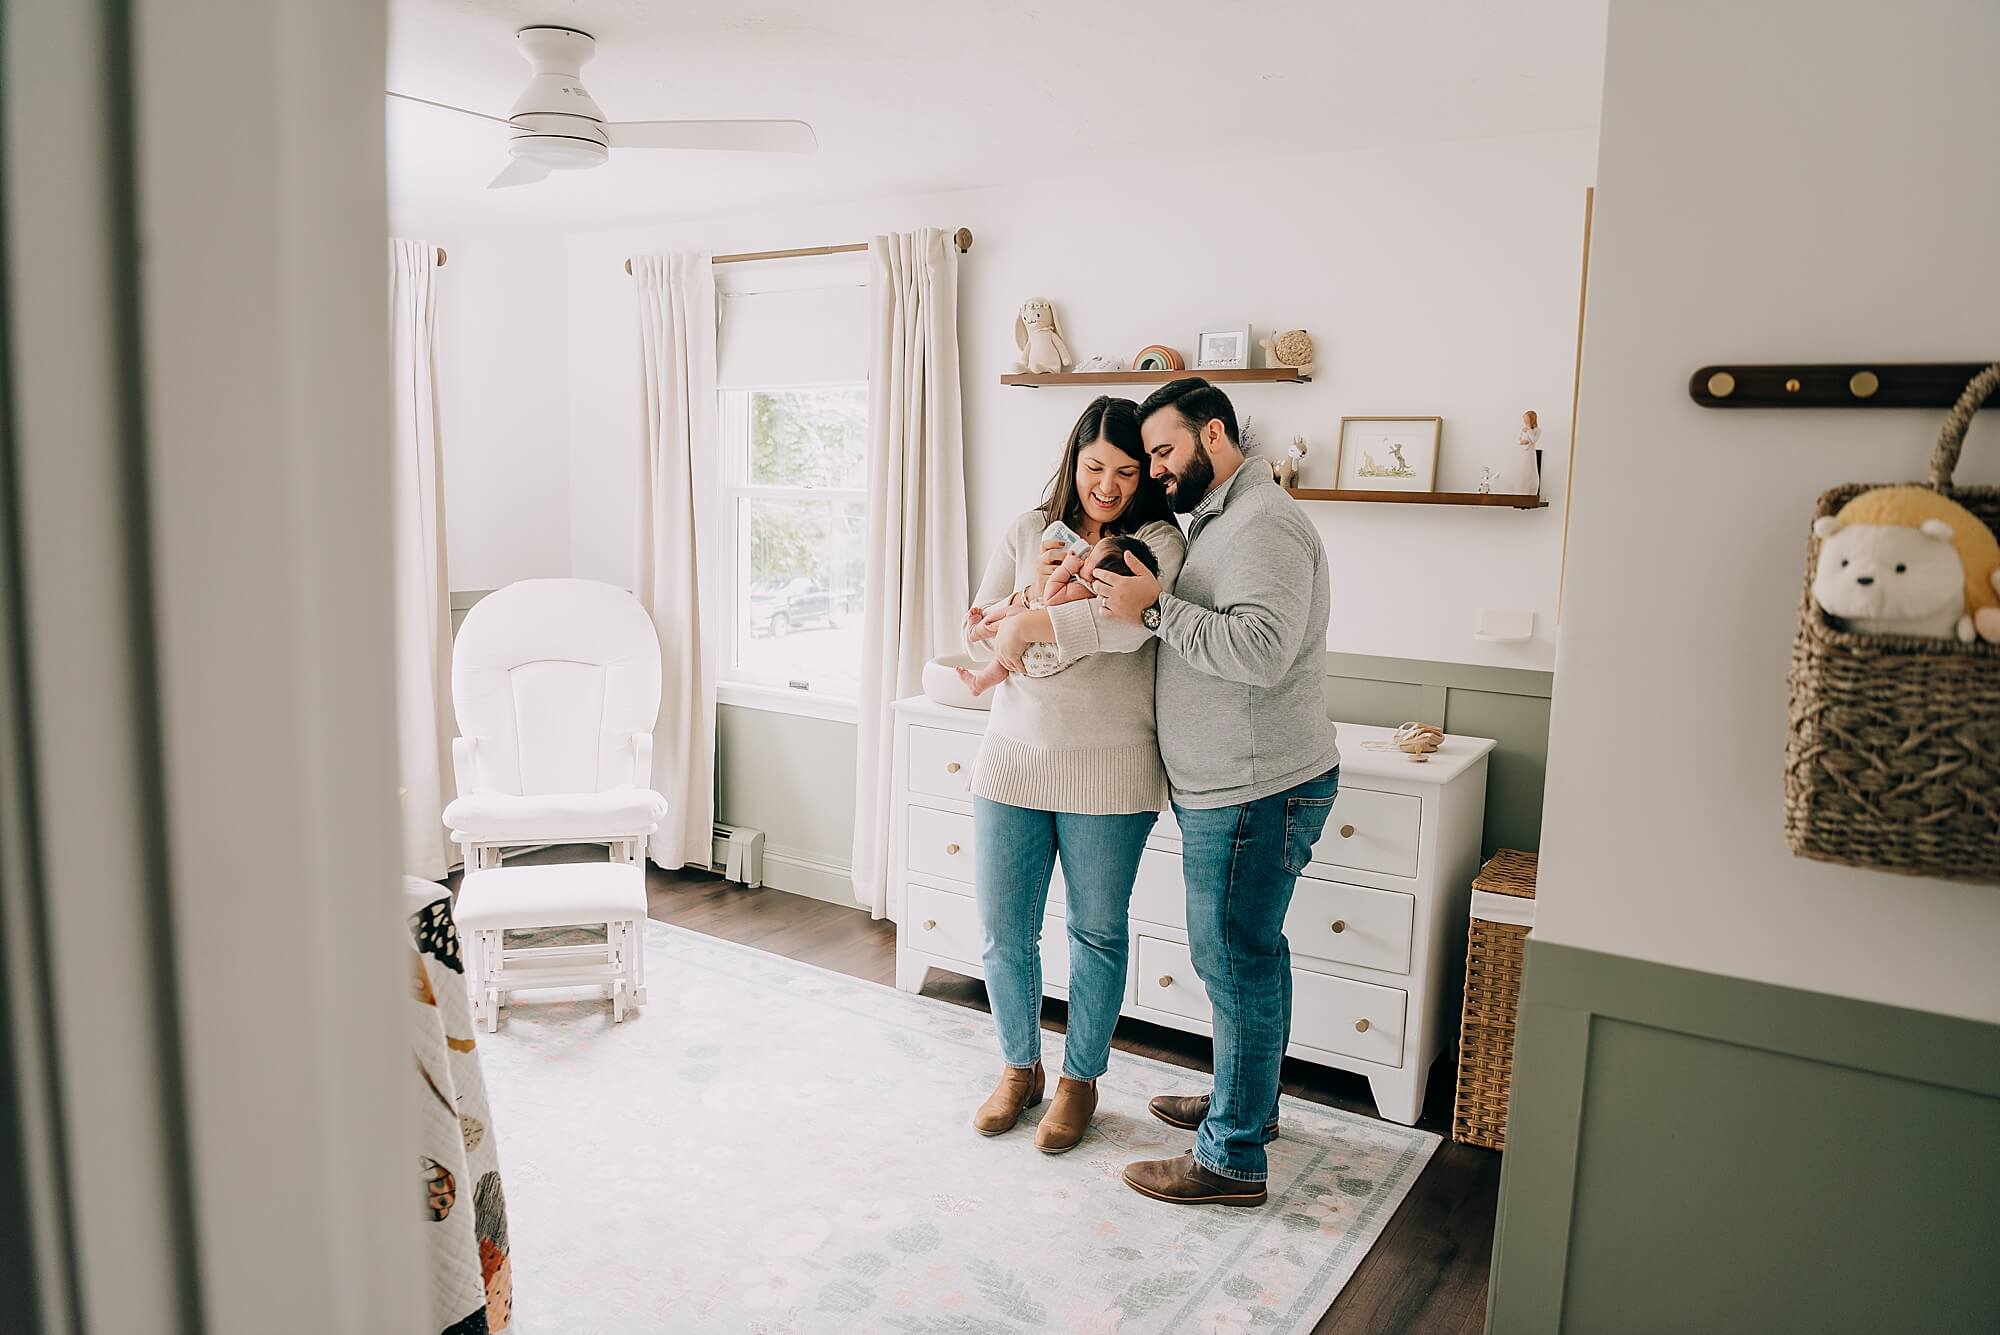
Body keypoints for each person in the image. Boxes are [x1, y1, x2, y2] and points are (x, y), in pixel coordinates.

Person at [1091, 377, 1341, 1206]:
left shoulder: (1264, 523)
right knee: (1252, 957)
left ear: (1217, 434)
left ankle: (1231, 1155)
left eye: (1164, 451)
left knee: (1234, 962)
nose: (1156, 469)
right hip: (1235, 785)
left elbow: (1261, 650)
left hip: (1253, 787)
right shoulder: (1227, 519)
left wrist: (1156, 610)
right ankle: (1250, 1106)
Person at [960, 396, 1186, 1153]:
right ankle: (1019, 1067)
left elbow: (1125, 632)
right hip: (1012, 758)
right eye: (1095, 467)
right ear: (1073, 460)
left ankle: (1079, 1079)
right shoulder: (1030, 530)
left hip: (1110, 768)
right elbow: (974, 629)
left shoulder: (1158, 539)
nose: (1109, 485)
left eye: (1127, 471)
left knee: (1094, 933)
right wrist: (1028, 600)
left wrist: (1030, 629)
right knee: (1004, 932)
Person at [957, 534, 1161, 697]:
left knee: (1012, 615)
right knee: (1004, 661)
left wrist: (1065, 570)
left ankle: (981, 630)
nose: (1085, 555)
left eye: (1090, 558)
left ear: (1100, 575)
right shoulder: (1103, 598)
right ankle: (980, 682)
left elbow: (1051, 599)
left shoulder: (1082, 590)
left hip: (1041, 652)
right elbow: (975, 650)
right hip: (1044, 661)